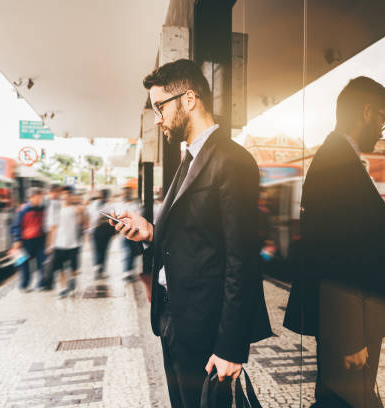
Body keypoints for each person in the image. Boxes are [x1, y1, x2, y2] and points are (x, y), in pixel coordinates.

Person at [110, 59, 271, 407]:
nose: (156, 118)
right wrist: (150, 233)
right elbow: (197, 237)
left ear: (189, 99)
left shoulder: (232, 161)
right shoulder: (189, 159)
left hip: (207, 332)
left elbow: (241, 260)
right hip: (175, 323)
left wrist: (230, 347)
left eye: (159, 107)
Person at [284, 77, 385, 407]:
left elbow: (350, 234)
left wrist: (384, 227)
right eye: (382, 117)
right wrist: (350, 338)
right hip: (351, 326)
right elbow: (332, 255)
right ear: (366, 112)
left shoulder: (340, 160)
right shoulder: (337, 164)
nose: (383, 128)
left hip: (354, 321)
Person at [47, 186, 86, 297]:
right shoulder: (56, 209)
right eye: (64, 194)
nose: (66, 196)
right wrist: (50, 244)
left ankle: (72, 280)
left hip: (73, 243)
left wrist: (81, 213)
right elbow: (53, 228)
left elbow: (82, 223)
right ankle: (63, 288)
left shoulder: (76, 209)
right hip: (59, 243)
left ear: (71, 196)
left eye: (68, 194)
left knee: (74, 268)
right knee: (60, 268)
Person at [11, 187, 47, 291]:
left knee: (42, 262)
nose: (39, 199)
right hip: (25, 241)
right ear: (31, 197)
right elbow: (16, 226)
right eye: (37, 197)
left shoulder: (43, 208)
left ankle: (41, 284)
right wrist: (17, 239)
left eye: (40, 197)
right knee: (23, 264)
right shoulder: (23, 210)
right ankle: (24, 285)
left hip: (40, 240)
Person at [116, 187, 141, 281]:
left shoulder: (135, 205)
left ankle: (129, 271)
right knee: (127, 251)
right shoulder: (119, 205)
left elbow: (139, 216)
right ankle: (127, 271)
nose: (125, 194)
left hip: (134, 231)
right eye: (124, 193)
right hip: (123, 232)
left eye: (127, 193)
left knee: (132, 251)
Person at [92, 189, 114, 279]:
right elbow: (112, 217)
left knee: (98, 250)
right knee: (103, 251)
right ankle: (100, 269)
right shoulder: (109, 205)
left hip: (98, 230)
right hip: (105, 230)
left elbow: (93, 218)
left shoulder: (95, 204)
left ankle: (98, 268)